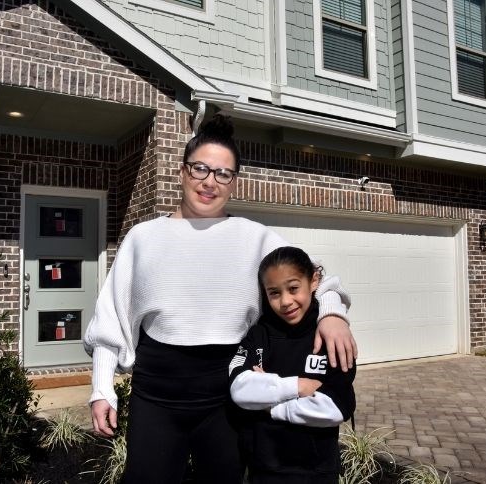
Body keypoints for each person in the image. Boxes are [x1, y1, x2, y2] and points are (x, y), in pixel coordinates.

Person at [83, 114, 357, 484]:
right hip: (157, 394)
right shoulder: (142, 238)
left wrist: (333, 314)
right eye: (200, 169)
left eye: (223, 173)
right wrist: (102, 389)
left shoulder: (255, 238)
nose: (210, 181)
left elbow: (314, 278)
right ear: (182, 172)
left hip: (226, 396)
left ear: (234, 183)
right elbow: (110, 320)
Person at [229, 246, 356, 484]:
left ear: (314, 280)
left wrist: (271, 404)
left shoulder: (332, 336)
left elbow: (336, 407)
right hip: (264, 469)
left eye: (294, 288)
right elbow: (240, 388)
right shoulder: (259, 335)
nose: (286, 301)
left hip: (317, 471)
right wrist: (297, 386)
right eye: (274, 293)